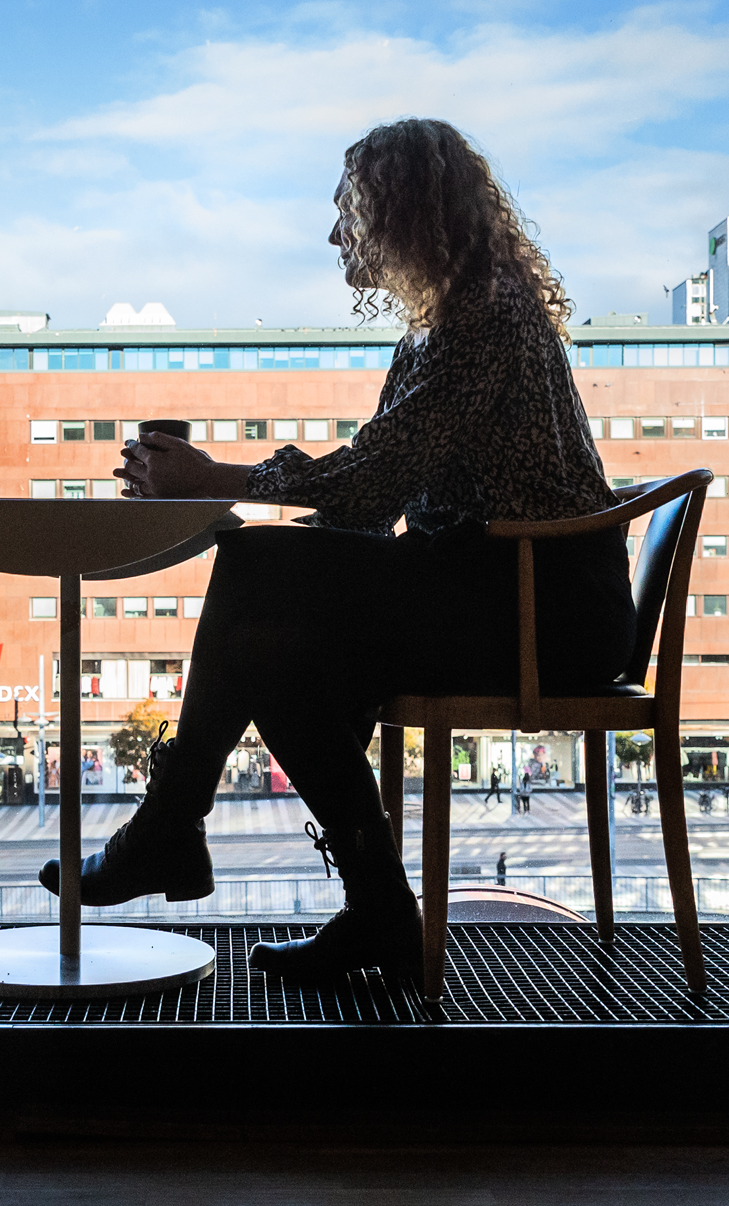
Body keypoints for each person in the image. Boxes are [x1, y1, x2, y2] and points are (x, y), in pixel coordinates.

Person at [43, 118, 635, 988]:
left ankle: (176, 828)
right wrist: (281, 547)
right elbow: (376, 497)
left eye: (349, 211)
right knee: (267, 639)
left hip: (546, 607)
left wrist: (217, 476)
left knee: (254, 578)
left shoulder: (482, 314)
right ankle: (376, 913)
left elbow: (372, 478)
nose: (334, 234)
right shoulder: (443, 322)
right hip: (492, 590)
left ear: (403, 210)